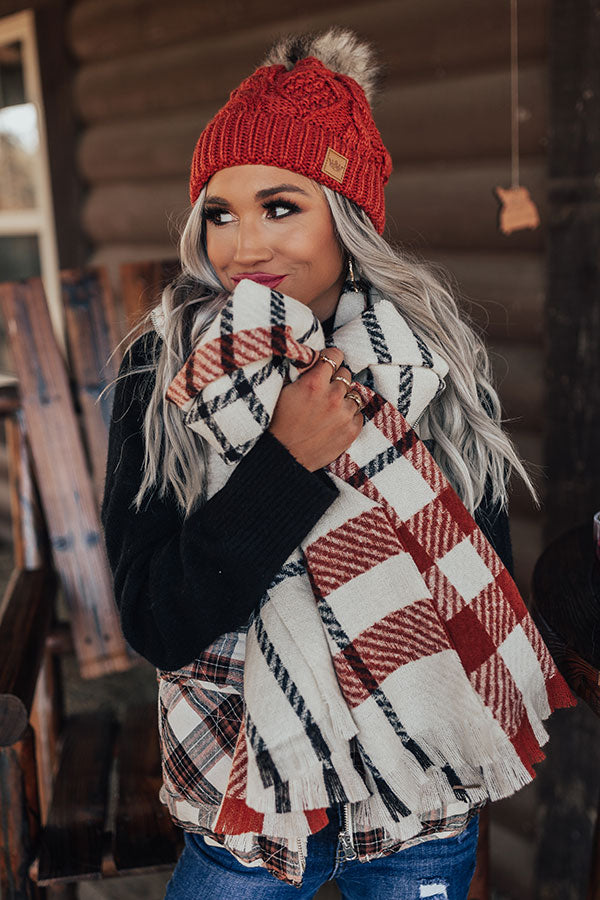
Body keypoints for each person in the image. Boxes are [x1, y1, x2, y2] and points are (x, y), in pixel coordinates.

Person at [101, 28, 574, 900]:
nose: (244, 246)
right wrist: (288, 462)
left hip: (420, 793)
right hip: (244, 793)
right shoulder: (162, 373)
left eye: (280, 206)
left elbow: (479, 590)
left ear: (349, 217)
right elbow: (158, 621)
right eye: (219, 212)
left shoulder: (432, 367)